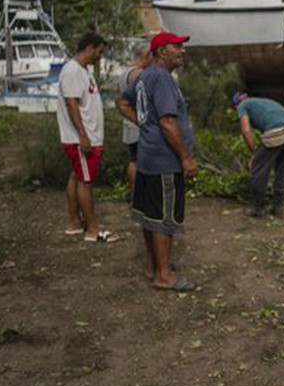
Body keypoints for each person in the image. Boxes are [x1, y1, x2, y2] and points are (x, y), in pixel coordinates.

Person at [116, 32, 199, 291]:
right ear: (162, 51)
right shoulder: (161, 78)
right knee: (164, 217)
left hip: (147, 157)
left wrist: (144, 123)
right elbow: (167, 122)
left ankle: (153, 267)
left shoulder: (145, 76)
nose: (183, 50)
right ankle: (164, 275)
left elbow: (122, 102)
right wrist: (186, 158)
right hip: (165, 161)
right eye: (177, 46)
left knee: (150, 214)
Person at [56, 31, 115, 242]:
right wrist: (82, 135)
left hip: (88, 136)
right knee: (86, 182)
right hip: (81, 138)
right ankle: (92, 229)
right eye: (99, 52)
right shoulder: (72, 71)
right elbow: (71, 104)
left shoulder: (83, 71)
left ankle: (74, 223)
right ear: (89, 48)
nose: (100, 56)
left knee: (76, 176)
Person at [232, 92, 284, 219]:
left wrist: (255, 153)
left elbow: (246, 131)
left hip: (278, 130)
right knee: (282, 168)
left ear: (236, 106)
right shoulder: (262, 101)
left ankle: (258, 208)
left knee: (258, 167)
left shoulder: (242, 106)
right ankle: (278, 208)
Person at [120, 42, 152, 196]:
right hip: (138, 123)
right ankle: (138, 195)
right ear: (146, 56)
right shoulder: (138, 74)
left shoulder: (125, 72)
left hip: (129, 123)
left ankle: (135, 195)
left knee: (134, 160)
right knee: (139, 162)